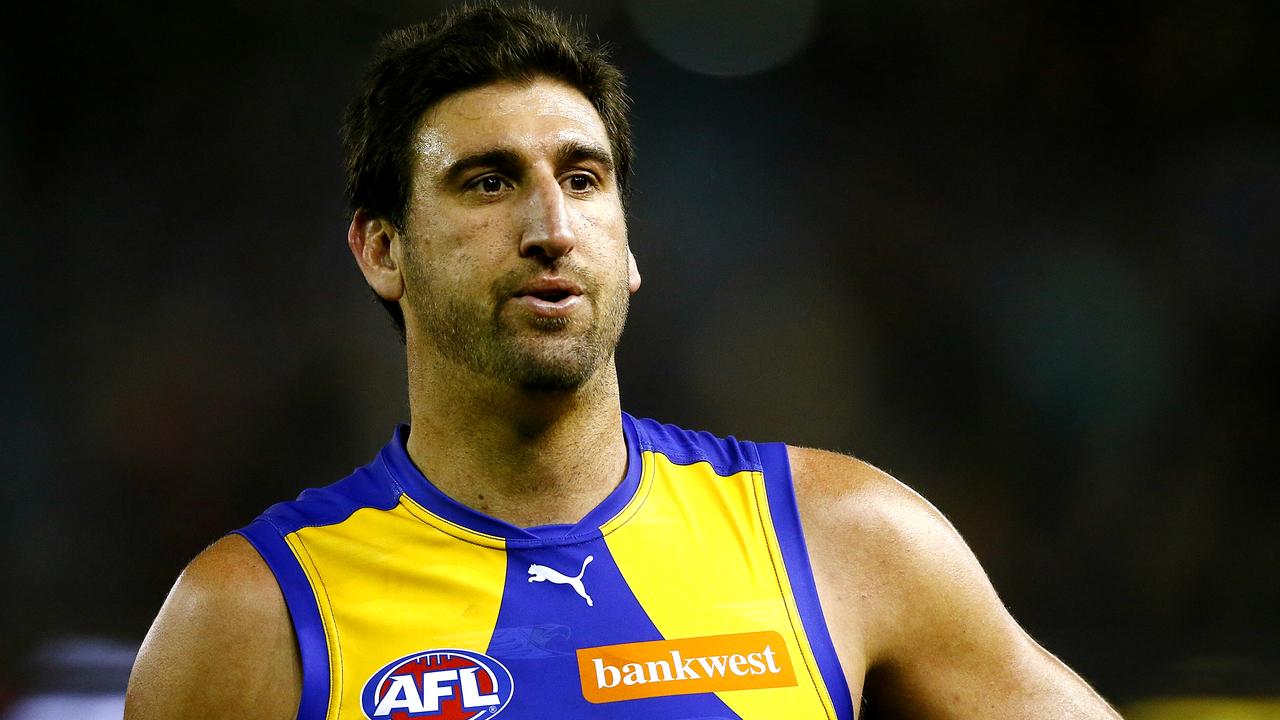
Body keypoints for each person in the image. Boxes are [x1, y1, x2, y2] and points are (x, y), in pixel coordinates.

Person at [125, 5, 1122, 719]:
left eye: (583, 178)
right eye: (486, 182)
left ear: (629, 244)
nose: (550, 226)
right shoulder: (250, 617)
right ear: (382, 249)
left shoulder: (846, 542)